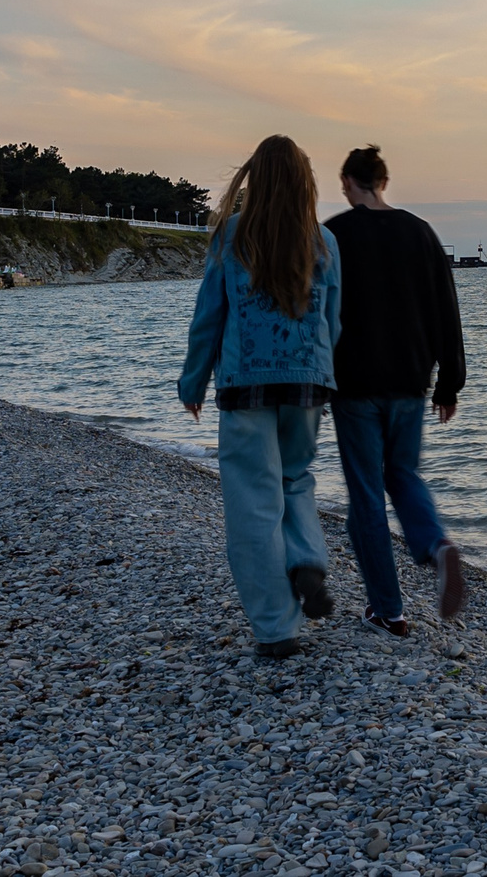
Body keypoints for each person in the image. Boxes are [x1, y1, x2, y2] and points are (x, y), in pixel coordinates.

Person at [178, 135, 343, 660]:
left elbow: (210, 316)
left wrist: (193, 381)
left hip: (245, 385)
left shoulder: (231, 236)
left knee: (253, 501)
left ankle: (276, 629)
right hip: (307, 384)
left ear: (254, 180)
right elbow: (333, 323)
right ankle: (308, 559)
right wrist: (323, 377)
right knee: (296, 479)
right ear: (305, 183)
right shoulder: (323, 242)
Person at [324, 144, 469, 636]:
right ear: (383, 181)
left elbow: (318, 308)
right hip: (410, 380)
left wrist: (315, 377)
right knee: (402, 474)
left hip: (354, 384)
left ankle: (389, 608)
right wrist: (449, 383)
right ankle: (435, 545)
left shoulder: (335, 235)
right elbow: (445, 312)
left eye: (343, 182)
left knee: (366, 494)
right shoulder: (420, 232)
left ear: (349, 182)